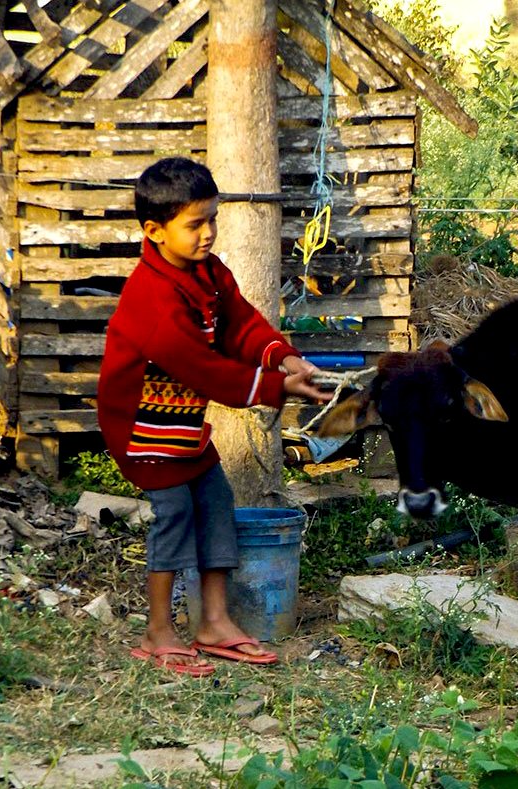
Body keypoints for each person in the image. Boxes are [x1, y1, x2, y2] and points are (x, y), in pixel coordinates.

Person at [97, 157, 331, 675]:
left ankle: (214, 620)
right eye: (194, 224)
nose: (208, 234)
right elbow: (206, 370)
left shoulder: (207, 272)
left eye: (212, 219)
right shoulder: (152, 300)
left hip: (182, 423)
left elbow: (241, 324)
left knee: (218, 502)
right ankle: (159, 628)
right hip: (144, 428)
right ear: (154, 232)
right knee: (175, 516)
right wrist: (275, 387)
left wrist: (283, 356)